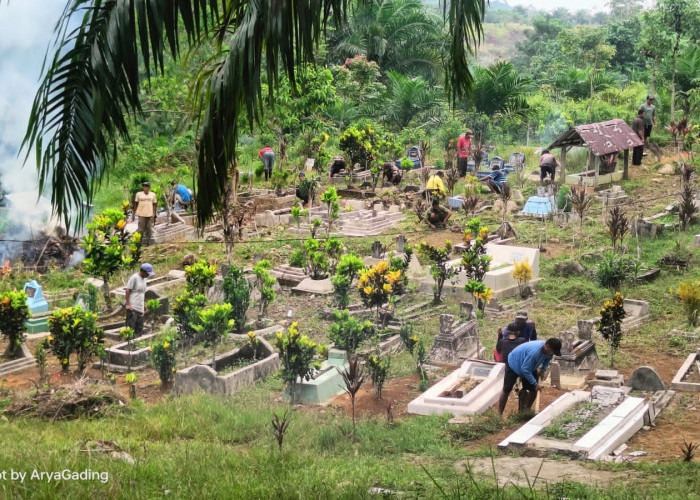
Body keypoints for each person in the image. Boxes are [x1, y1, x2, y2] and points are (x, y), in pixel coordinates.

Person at [498, 338, 562, 416]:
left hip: (529, 366)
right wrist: (535, 383)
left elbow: (547, 359)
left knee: (533, 390)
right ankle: (499, 414)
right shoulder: (534, 352)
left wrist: (543, 370)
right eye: (551, 351)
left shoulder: (549, 353)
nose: (551, 354)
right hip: (514, 364)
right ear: (546, 346)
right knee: (507, 389)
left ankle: (526, 411)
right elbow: (525, 369)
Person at [125, 263, 155, 337]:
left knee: (139, 328)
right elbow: (127, 290)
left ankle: (136, 344)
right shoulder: (134, 278)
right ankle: (129, 344)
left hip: (140, 307)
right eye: (147, 273)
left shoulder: (144, 279)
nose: (148, 275)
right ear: (143, 271)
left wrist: (144, 305)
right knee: (131, 328)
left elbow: (142, 293)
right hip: (133, 306)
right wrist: (128, 304)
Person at [131, 181, 157, 246]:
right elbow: (135, 204)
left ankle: (148, 243)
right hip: (141, 214)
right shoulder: (139, 194)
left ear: (149, 188)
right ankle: (139, 243)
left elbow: (154, 204)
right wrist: (133, 214)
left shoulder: (153, 194)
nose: (145, 188)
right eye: (144, 187)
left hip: (150, 214)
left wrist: (154, 213)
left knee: (149, 229)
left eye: (146, 187)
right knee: (141, 229)